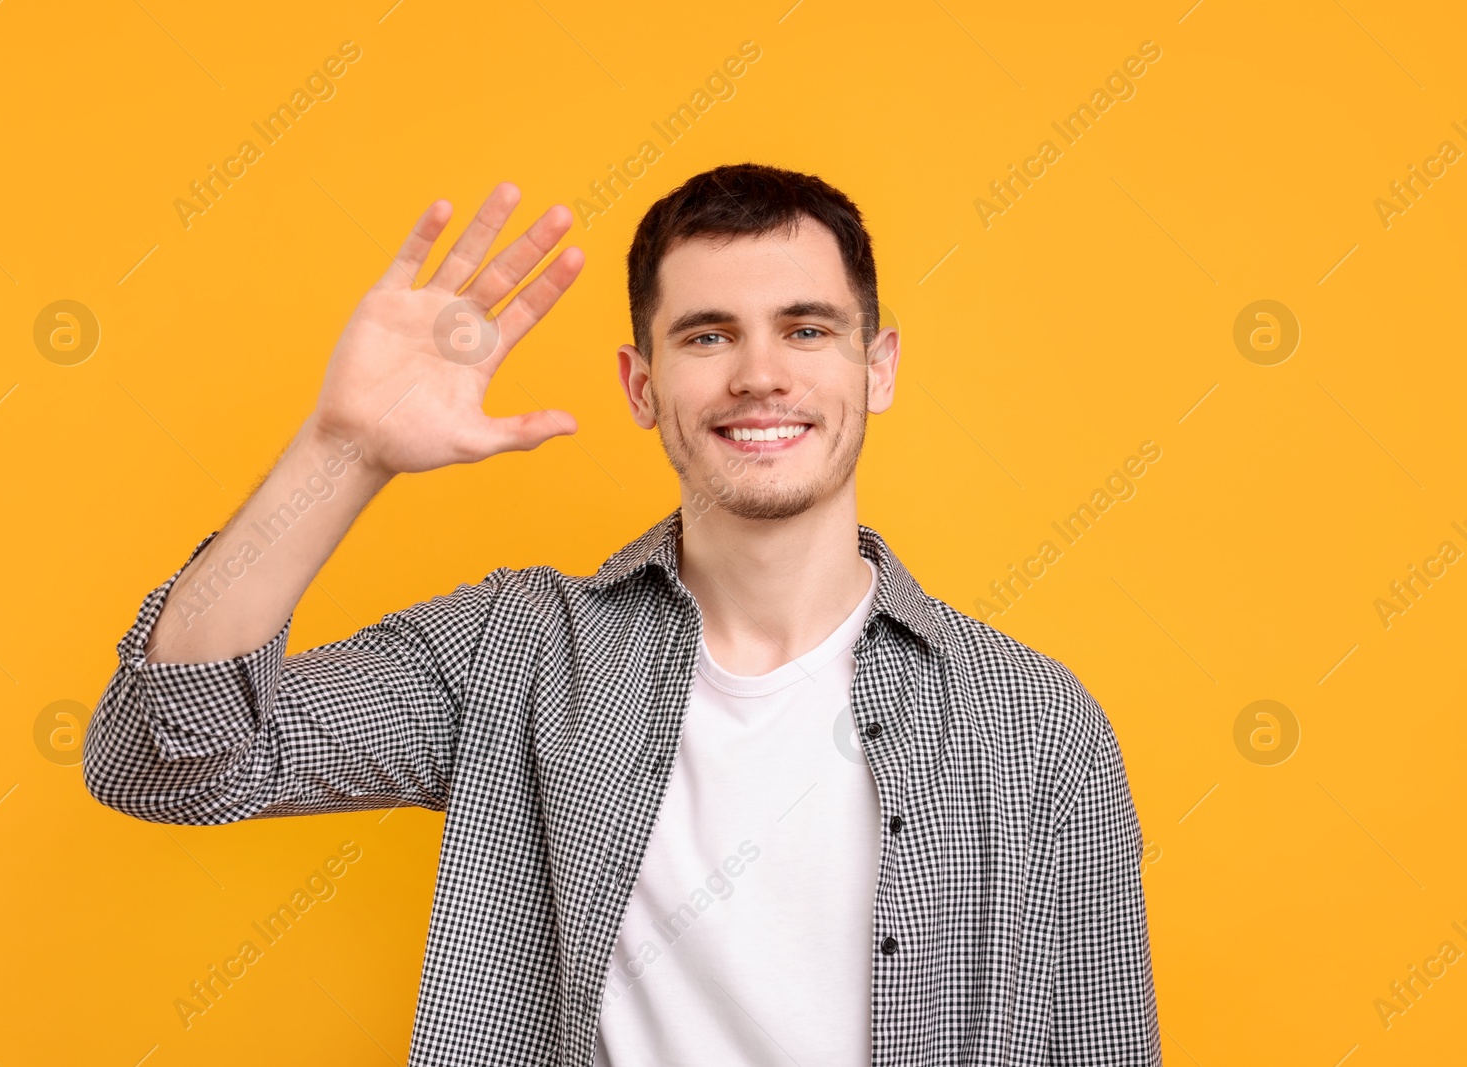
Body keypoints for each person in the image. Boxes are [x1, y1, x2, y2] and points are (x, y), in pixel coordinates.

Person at [83, 162, 1160, 1065]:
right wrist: (341, 453)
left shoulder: (1035, 722)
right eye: (705, 337)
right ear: (640, 385)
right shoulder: (515, 652)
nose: (759, 374)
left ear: (874, 368)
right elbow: (167, 758)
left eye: (806, 328)